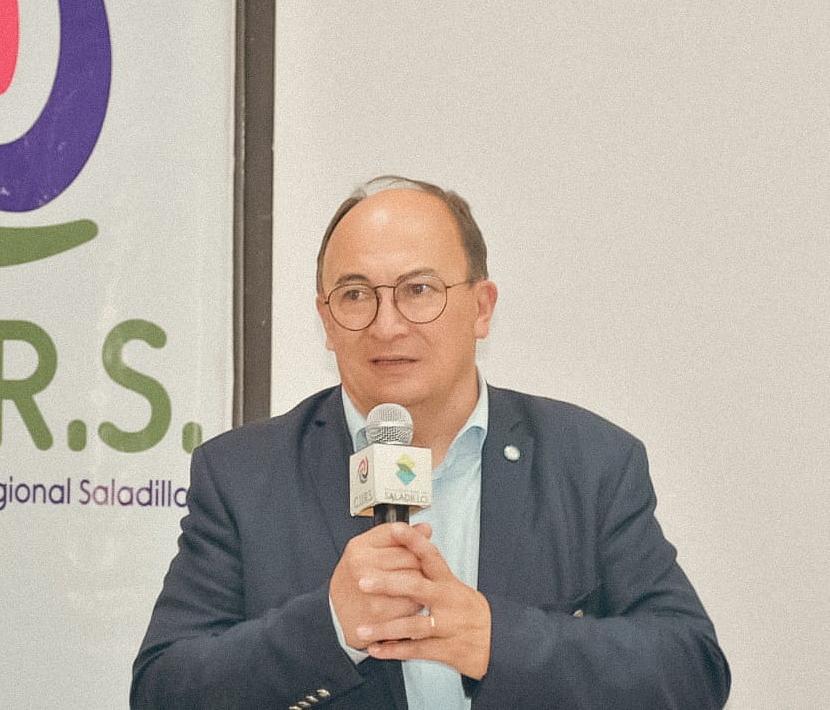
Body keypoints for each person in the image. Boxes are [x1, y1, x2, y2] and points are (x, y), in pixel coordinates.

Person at [131, 175, 730, 709]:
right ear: (326, 320)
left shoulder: (591, 462)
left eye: (418, 290)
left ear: (481, 308)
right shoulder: (242, 475)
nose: (387, 324)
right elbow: (163, 689)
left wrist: (495, 640)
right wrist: (330, 627)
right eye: (355, 294)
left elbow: (692, 669)